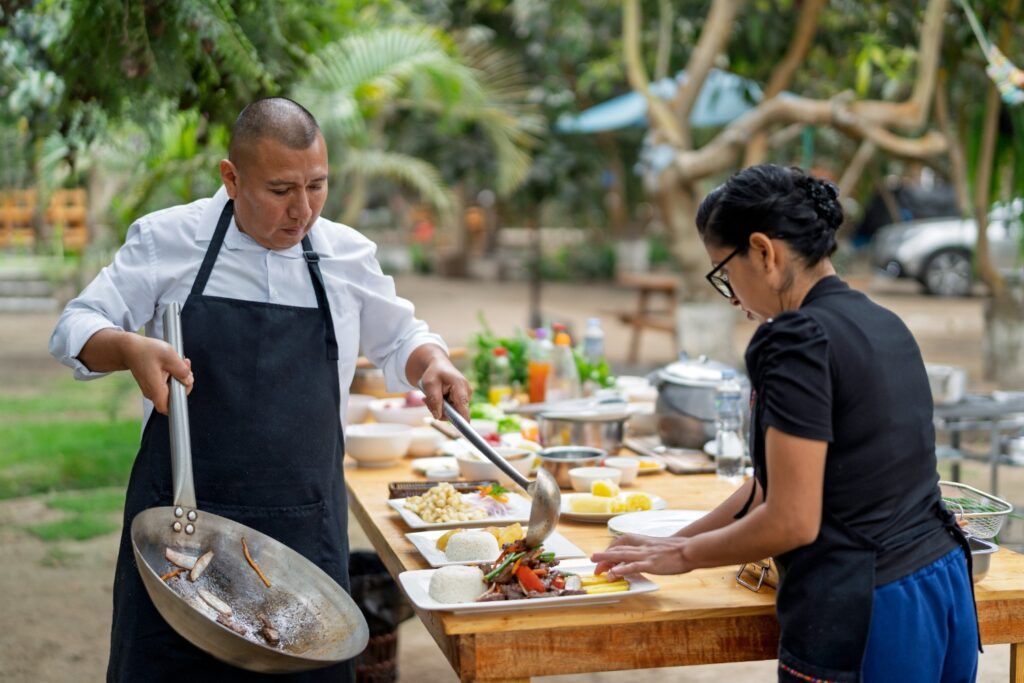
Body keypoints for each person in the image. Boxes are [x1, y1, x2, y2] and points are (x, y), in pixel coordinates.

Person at [49, 97, 471, 682]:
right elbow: (75, 324)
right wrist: (126, 347)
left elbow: (402, 337)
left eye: (317, 186)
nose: (302, 211)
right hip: (182, 530)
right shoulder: (167, 240)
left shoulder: (346, 254)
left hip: (304, 537)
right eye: (280, 191)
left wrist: (432, 362)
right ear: (231, 177)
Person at [592, 165, 979, 682]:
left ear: (763, 251)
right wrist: (677, 541)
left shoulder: (794, 338)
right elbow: (771, 487)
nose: (733, 297)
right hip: (941, 588)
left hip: (869, 613)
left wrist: (686, 555)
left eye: (724, 273)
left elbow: (791, 519)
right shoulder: (882, 322)